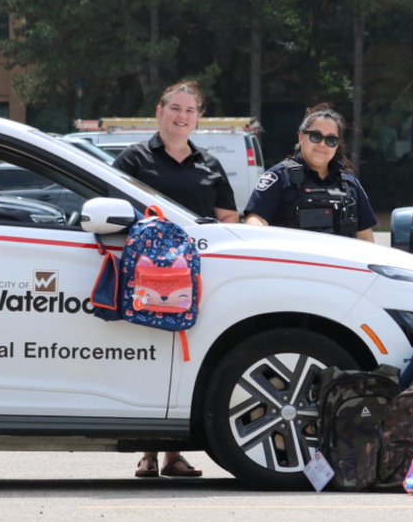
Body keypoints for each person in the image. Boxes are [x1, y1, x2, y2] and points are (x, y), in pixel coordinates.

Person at [113, 80, 239, 479]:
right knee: (151, 356)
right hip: (147, 276)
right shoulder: (134, 160)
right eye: (175, 109)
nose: (182, 117)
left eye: (190, 111)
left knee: (185, 360)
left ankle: (174, 455)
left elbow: (229, 218)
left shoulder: (209, 164)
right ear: (159, 111)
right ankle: (148, 453)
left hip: (197, 276)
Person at [243, 104, 376, 242]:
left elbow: (366, 238)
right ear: (301, 137)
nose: (322, 144)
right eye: (316, 136)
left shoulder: (350, 184)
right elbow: (255, 221)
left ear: (337, 145)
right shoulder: (278, 177)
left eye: (331, 140)